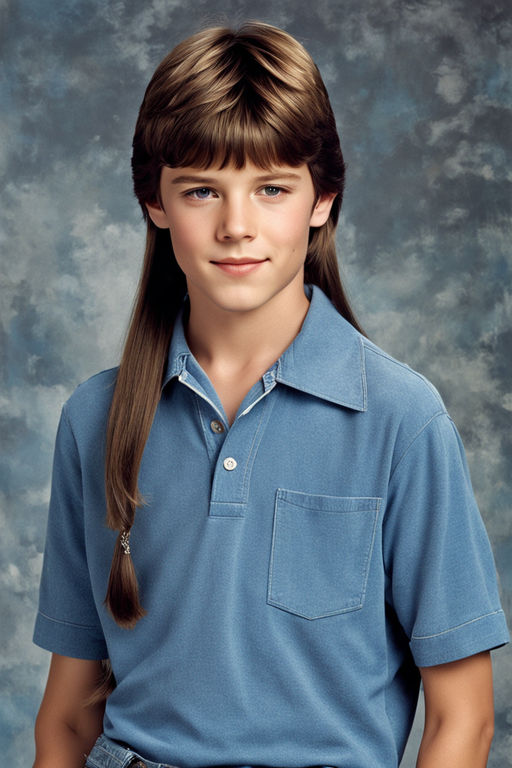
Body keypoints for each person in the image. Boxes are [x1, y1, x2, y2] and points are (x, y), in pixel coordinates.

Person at [33, 21, 508, 768]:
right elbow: (66, 722)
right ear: (154, 203)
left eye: (272, 188)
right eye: (200, 190)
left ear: (322, 198)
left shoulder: (401, 420)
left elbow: (463, 719)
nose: (236, 226)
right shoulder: (94, 421)